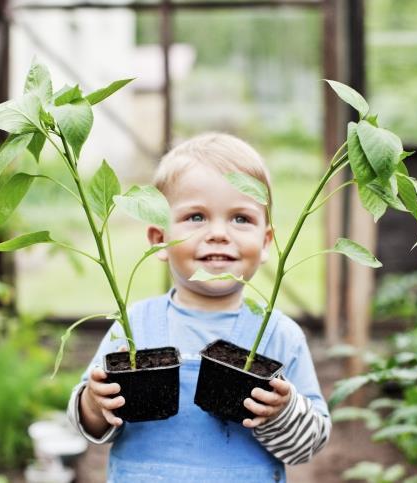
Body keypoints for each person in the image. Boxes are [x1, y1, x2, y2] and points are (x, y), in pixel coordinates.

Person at [68, 132, 331, 482]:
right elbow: (88, 423)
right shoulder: (134, 326)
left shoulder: (278, 335)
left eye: (241, 219)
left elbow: (310, 444)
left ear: (267, 242)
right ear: (158, 239)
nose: (218, 233)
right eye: (196, 217)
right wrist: (94, 403)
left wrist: (282, 412)